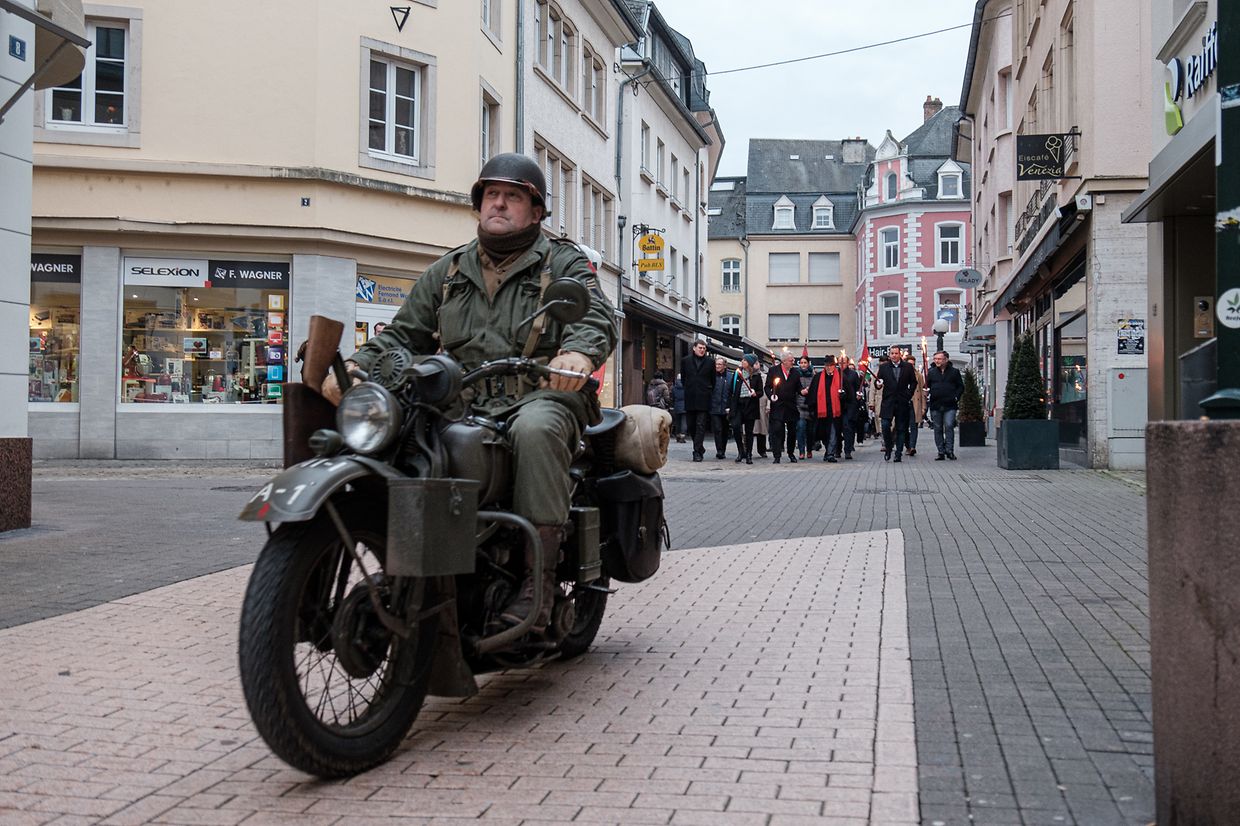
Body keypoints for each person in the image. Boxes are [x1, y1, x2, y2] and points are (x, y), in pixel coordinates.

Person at [321, 152, 617, 632]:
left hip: (541, 394)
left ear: (536, 211)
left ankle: (536, 585)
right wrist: (357, 365)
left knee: (537, 430)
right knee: (400, 430)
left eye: (513, 197)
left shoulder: (560, 262)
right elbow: (403, 335)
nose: (499, 205)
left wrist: (578, 355)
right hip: (464, 400)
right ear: (479, 205)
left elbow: (594, 315)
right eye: (491, 196)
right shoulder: (449, 272)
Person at [874, 346, 917, 462]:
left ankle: (898, 453)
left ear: (900, 354)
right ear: (889, 355)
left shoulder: (907, 367)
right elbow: (877, 382)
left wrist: (908, 394)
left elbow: (914, 382)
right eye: (892, 353)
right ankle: (888, 447)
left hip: (902, 402)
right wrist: (878, 384)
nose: (894, 355)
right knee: (885, 425)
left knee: (901, 428)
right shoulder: (883, 367)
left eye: (896, 353)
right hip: (888, 402)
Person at [926, 350, 965, 460]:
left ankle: (949, 450)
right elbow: (927, 386)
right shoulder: (931, 372)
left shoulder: (954, 372)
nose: (937, 361)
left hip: (950, 404)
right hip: (935, 404)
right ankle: (941, 451)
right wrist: (926, 392)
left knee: (949, 426)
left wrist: (956, 397)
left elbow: (960, 386)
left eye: (939, 359)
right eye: (935, 359)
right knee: (937, 428)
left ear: (946, 359)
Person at [680, 339, 714, 462]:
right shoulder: (686, 361)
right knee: (691, 426)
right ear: (694, 348)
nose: (702, 350)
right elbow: (684, 379)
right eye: (700, 348)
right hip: (690, 397)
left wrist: (707, 391)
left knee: (700, 425)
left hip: (704, 398)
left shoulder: (710, 362)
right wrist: (689, 388)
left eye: (704, 348)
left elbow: (713, 381)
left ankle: (696, 452)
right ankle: (700, 447)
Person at [764, 352, 802, 463]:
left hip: (791, 406)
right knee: (777, 430)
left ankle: (791, 453)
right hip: (778, 406)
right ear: (784, 361)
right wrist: (771, 396)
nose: (793, 362)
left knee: (792, 432)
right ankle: (777, 455)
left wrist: (802, 391)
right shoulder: (773, 371)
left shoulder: (795, 372)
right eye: (791, 360)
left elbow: (798, 387)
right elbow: (767, 387)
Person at [809, 355, 845, 462]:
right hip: (822, 411)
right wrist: (812, 407)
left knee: (833, 432)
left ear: (835, 366)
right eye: (827, 365)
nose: (829, 367)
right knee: (824, 434)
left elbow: (848, 394)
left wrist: (844, 395)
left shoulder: (841, 378)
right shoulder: (818, 377)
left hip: (835, 411)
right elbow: (813, 393)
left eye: (831, 365)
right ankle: (827, 450)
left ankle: (830, 453)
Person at [728, 354, 762, 463]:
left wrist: (755, 393)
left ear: (750, 363)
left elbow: (761, 392)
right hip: (738, 405)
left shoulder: (756, 376)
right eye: (742, 360)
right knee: (736, 427)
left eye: (745, 360)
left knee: (749, 431)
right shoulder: (737, 374)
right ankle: (740, 450)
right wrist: (729, 406)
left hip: (750, 405)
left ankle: (749, 454)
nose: (742, 361)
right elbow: (731, 390)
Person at [708, 356, 732, 459]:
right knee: (717, 429)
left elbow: (732, 392)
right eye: (716, 364)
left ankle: (723, 449)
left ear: (724, 366)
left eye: (719, 364)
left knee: (725, 430)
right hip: (714, 407)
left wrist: (730, 406)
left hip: (726, 408)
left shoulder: (730, 377)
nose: (717, 366)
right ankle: (719, 451)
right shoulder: (711, 376)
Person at [905, 354, 927, 457]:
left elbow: (922, 391)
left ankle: (913, 446)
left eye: (913, 364)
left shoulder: (919, 375)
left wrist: (924, 407)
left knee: (914, 426)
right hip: (904, 403)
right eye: (909, 364)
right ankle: (907, 445)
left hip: (915, 403)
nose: (911, 366)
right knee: (904, 427)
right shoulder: (901, 373)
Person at [794, 356, 816, 460]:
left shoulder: (813, 376)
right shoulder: (796, 375)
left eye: (805, 362)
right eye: (801, 362)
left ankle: (809, 450)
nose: (803, 364)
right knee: (801, 428)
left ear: (808, 363)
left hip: (810, 406)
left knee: (810, 431)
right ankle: (801, 451)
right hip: (799, 406)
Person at [672, 373, 686, 443]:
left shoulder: (674, 387)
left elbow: (673, 397)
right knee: (684, 421)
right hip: (685, 405)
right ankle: (682, 436)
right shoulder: (686, 386)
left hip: (677, 405)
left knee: (677, 421)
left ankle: (677, 435)